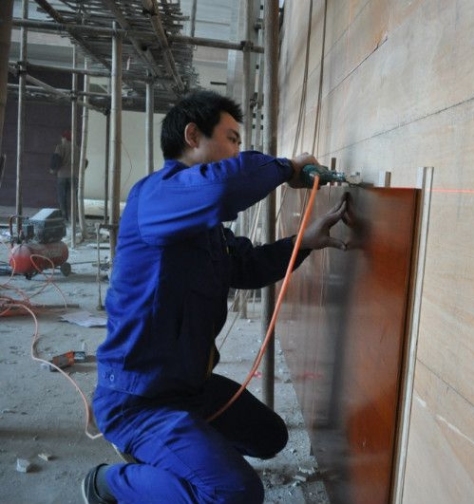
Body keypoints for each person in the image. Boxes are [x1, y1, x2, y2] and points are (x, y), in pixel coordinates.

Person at [82, 90, 347, 504]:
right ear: (193, 136)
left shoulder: (205, 230)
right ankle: (109, 483)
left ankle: (178, 452)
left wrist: (305, 242)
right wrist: (287, 168)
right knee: (233, 493)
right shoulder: (153, 196)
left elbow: (247, 267)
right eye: (232, 138)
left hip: (190, 387)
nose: (238, 149)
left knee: (269, 437)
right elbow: (225, 188)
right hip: (138, 398)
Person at [50, 130, 80, 223]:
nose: (61, 139)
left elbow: (56, 160)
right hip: (74, 176)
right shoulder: (77, 148)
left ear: (65, 138)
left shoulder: (60, 147)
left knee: (62, 196)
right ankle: (75, 217)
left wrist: (52, 169)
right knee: (74, 197)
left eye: (62, 138)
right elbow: (85, 162)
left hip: (62, 175)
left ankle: (64, 217)